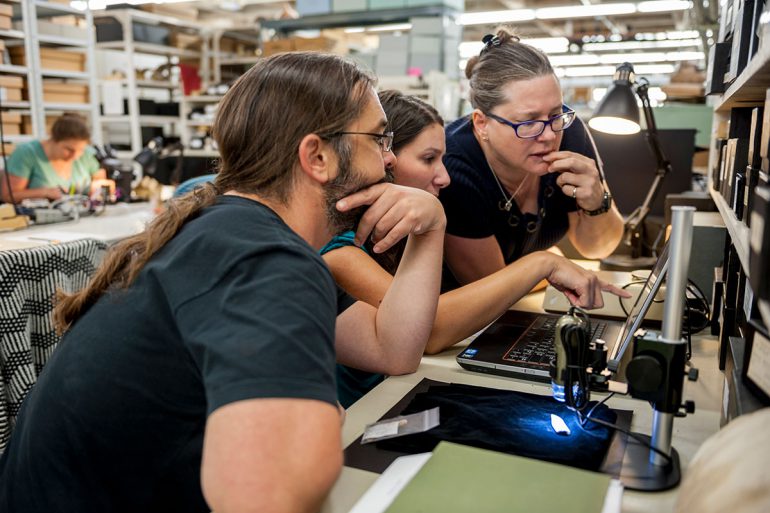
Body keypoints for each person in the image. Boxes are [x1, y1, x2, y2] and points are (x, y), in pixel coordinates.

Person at [0, 52, 446, 513]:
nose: (390, 158)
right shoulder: (262, 258)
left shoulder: (235, 233)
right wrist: (312, 428)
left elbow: (393, 349)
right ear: (317, 156)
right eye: (379, 138)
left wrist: (430, 230)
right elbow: (267, 497)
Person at [322, 90, 629, 407]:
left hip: (402, 392)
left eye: (443, 159)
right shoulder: (341, 251)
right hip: (370, 411)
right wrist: (541, 263)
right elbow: (428, 328)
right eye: (428, 159)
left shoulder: (400, 237)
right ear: (387, 159)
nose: (444, 177)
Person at [440, 28, 624, 289]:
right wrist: (548, 263)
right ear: (482, 124)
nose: (549, 135)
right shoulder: (454, 165)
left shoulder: (568, 130)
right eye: (527, 122)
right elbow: (491, 288)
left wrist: (597, 203)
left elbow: (597, 248)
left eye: (555, 114)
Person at [1, 113, 112, 202]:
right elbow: (8, 195)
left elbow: (100, 180)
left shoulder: (87, 154)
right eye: (69, 149)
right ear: (53, 139)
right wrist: (44, 192)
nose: (75, 156)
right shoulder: (26, 153)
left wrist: (101, 187)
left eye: (80, 150)